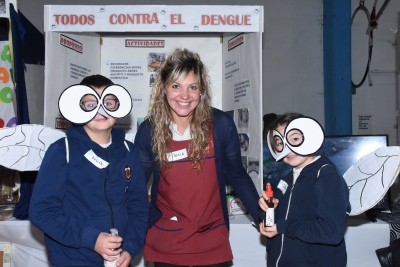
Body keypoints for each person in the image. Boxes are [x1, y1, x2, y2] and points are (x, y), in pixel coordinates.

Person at [134, 48, 262, 267]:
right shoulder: (149, 130)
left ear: (201, 91)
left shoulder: (220, 125)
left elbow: (237, 175)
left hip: (211, 238)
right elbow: (135, 187)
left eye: (192, 87)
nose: (184, 96)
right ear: (163, 88)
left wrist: (263, 218)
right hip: (166, 239)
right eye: (176, 86)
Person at [29, 74, 149, 267]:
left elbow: (138, 206)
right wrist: (91, 238)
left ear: (118, 107)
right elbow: (42, 211)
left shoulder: (128, 151)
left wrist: (131, 246)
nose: (101, 110)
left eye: (108, 103)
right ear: (79, 108)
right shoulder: (62, 151)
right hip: (73, 259)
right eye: (91, 104)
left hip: (118, 259)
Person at [259, 112, 350, 267]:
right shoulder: (285, 177)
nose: (287, 148)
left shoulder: (327, 176)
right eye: (280, 143)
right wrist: (269, 210)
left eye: (294, 139)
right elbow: (283, 220)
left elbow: (331, 231)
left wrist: (284, 227)